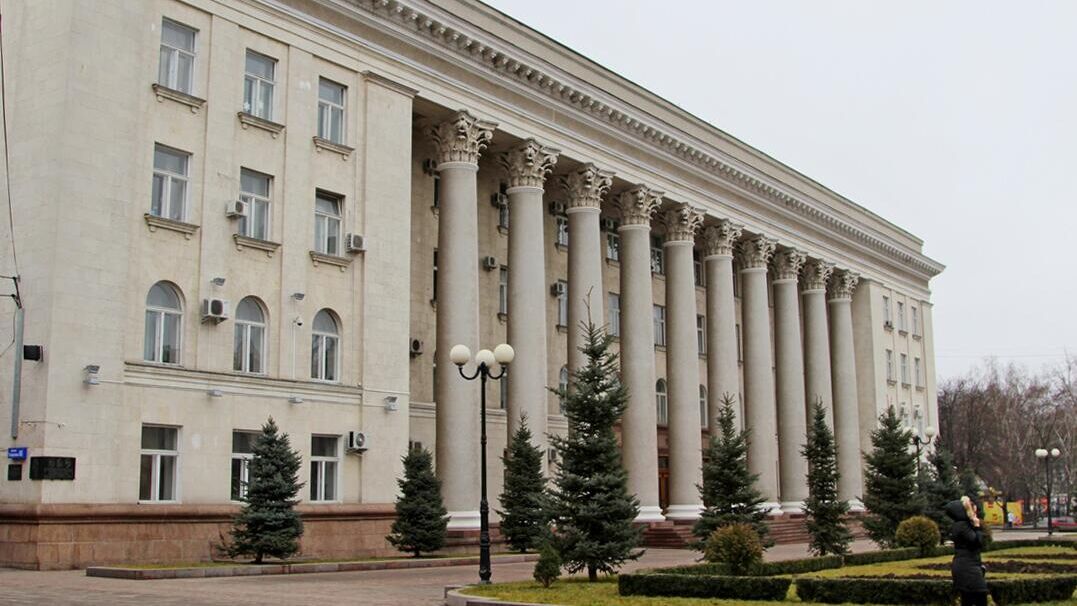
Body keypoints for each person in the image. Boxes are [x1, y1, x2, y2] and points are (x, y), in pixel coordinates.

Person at [945, 496, 988, 606]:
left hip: (967, 565)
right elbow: (977, 542)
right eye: (974, 510)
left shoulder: (961, 525)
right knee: (980, 597)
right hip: (967, 568)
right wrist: (977, 527)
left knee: (968, 599)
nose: (975, 513)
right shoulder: (962, 525)